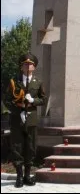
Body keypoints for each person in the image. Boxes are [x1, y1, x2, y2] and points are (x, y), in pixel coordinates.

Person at [4, 53, 46, 188]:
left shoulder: (38, 82)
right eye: (25, 64)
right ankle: (19, 177)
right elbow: (6, 100)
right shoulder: (13, 82)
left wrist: (33, 100)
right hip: (17, 119)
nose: (28, 66)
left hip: (31, 119)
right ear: (21, 66)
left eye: (31, 64)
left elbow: (43, 99)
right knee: (17, 147)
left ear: (35, 66)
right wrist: (18, 110)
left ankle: (28, 175)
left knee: (30, 147)